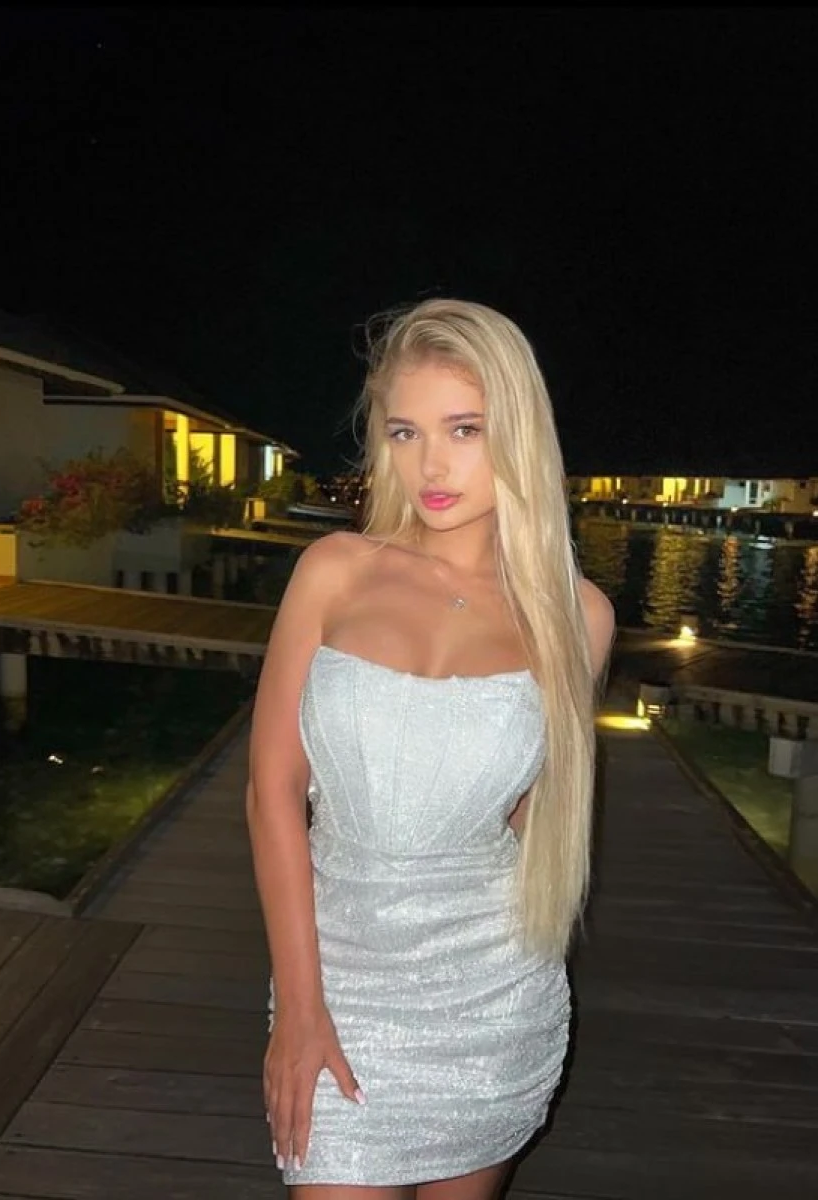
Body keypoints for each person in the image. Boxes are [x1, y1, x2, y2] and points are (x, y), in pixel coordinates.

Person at [246, 297, 614, 1199]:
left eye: (464, 429)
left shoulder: (578, 617)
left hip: (490, 995)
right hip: (338, 973)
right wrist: (300, 1008)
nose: (431, 465)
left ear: (519, 434)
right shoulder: (334, 571)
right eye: (405, 432)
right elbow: (271, 790)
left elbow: (531, 814)